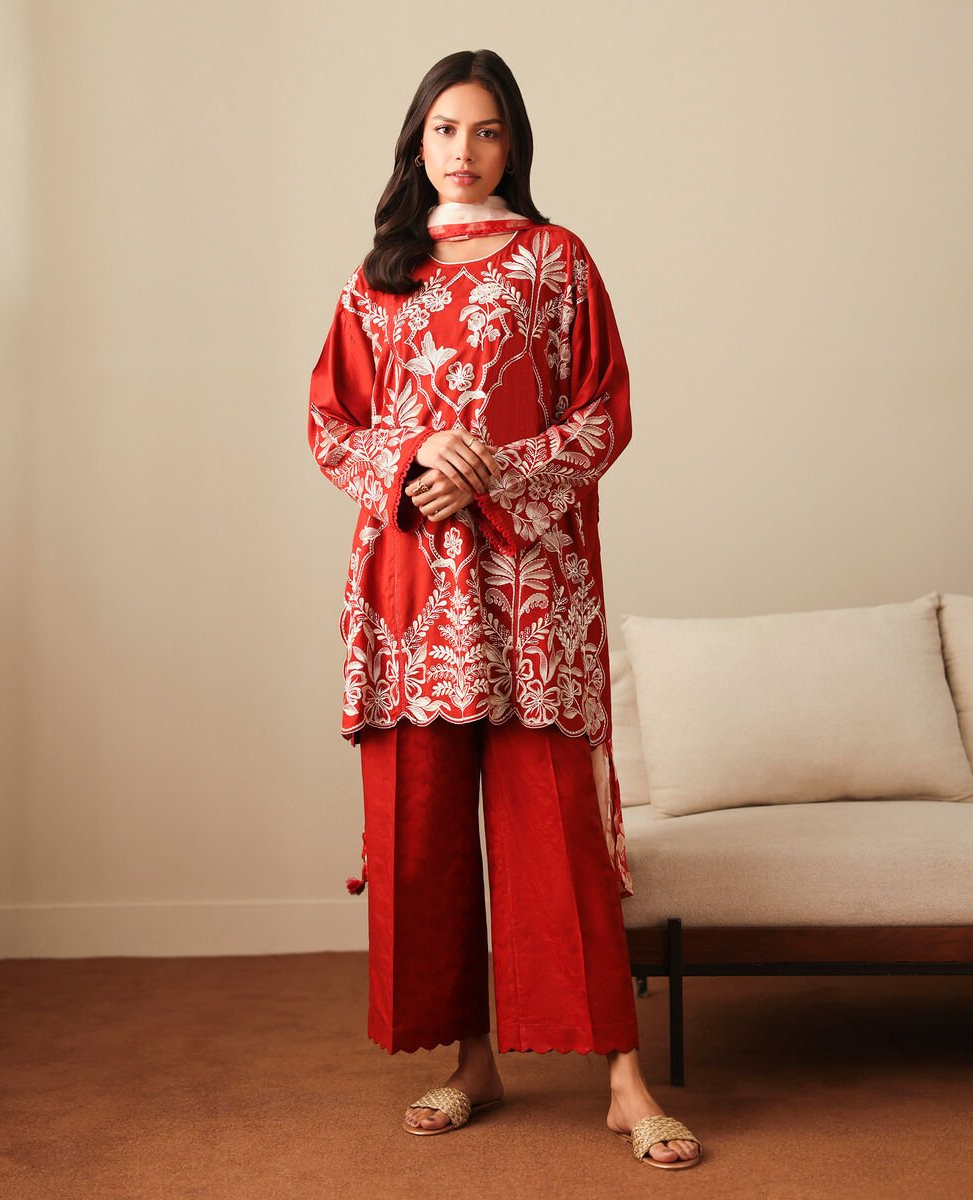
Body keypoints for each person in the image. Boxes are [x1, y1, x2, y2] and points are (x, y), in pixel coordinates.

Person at [307, 49, 703, 1170]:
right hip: (411, 599)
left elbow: (602, 414)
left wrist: (490, 472)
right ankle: (469, 1062)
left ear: (513, 143)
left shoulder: (555, 259)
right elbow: (331, 425)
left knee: (556, 835)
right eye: (445, 129)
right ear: (416, 143)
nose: (464, 151)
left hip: (533, 589)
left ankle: (623, 1081)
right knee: (424, 836)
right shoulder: (377, 275)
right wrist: (416, 463)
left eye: (485, 130)